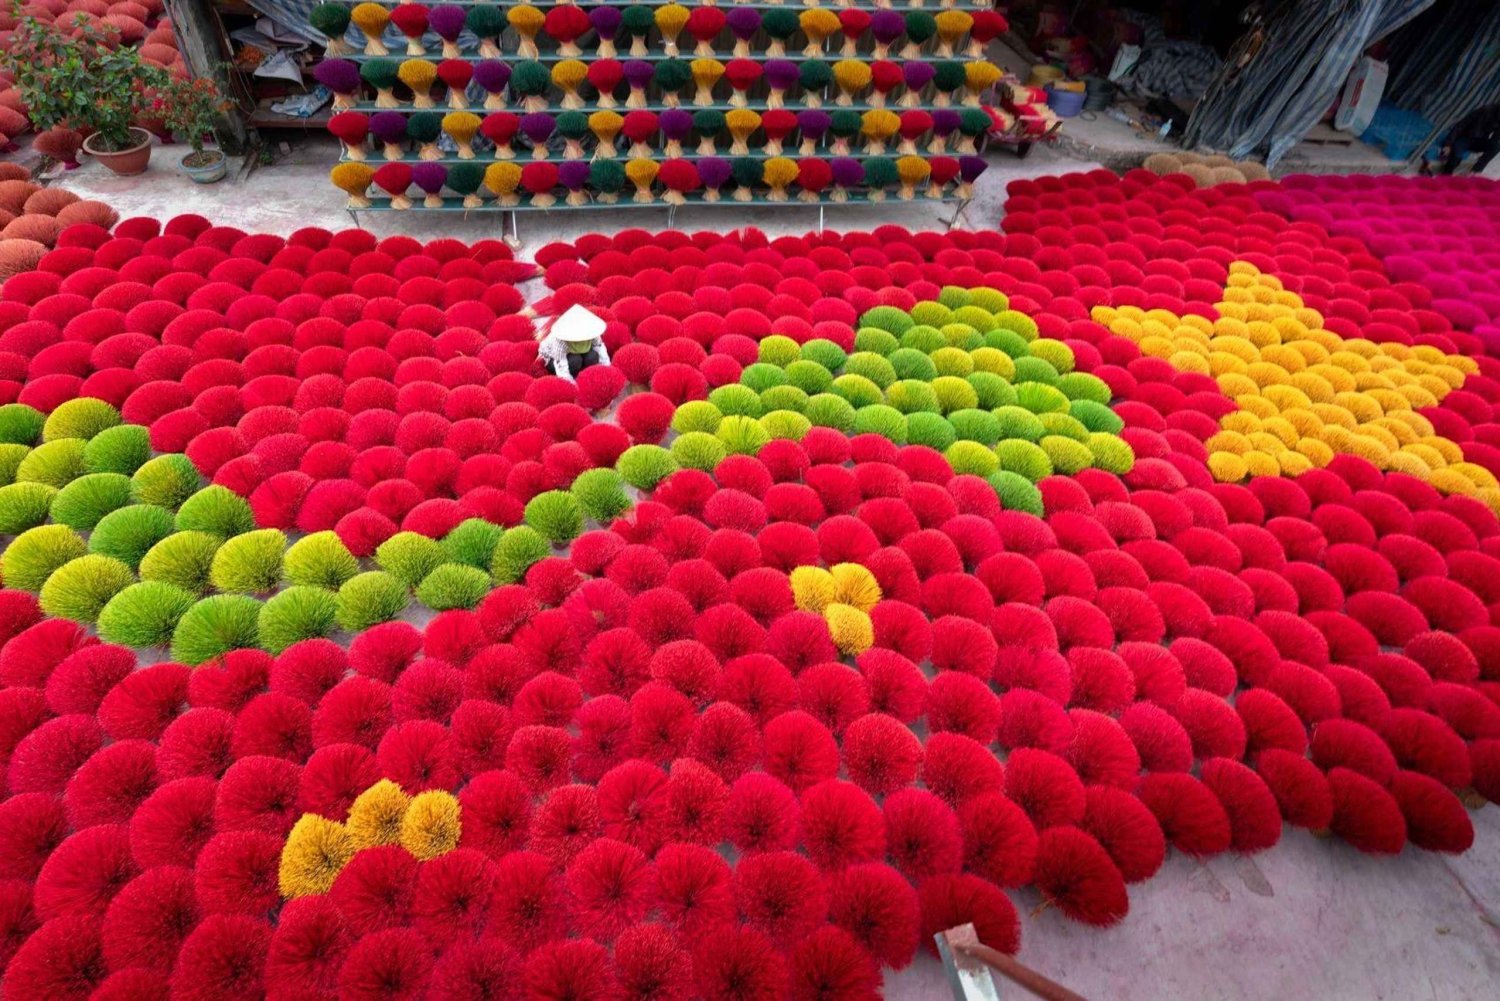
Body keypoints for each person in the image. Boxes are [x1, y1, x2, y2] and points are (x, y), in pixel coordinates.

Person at [536, 303, 612, 382]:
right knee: (575, 360)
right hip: (553, 359)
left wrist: (607, 371)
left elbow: (600, 349)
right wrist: (573, 385)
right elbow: (561, 367)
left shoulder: (592, 332)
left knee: (592, 356)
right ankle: (575, 375)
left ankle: (584, 372)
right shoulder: (559, 340)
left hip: (575, 355)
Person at [1441, 104, 1500, 175]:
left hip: (1479, 141)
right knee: (1454, 157)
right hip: (1465, 138)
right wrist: (1448, 144)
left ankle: (1474, 171)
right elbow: (1461, 125)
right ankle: (1446, 175)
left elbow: (1495, 138)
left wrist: (1485, 155)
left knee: (1496, 147)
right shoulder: (1485, 110)